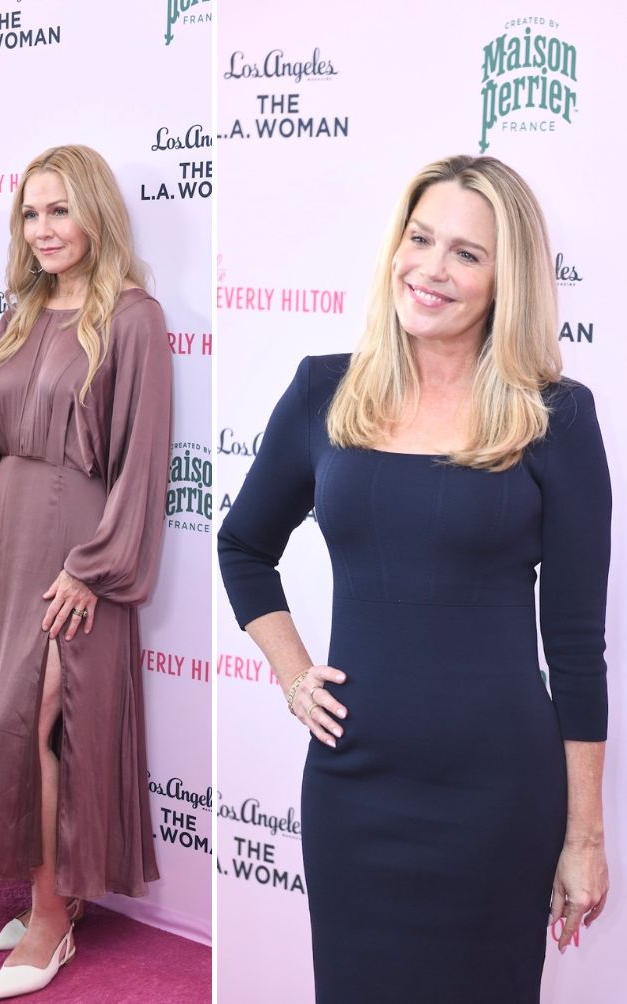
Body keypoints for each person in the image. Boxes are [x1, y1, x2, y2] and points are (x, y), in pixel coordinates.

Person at [217, 155, 608, 1002]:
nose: (430, 268)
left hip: (501, 796)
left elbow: (576, 648)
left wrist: (585, 835)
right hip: (355, 787)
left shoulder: (557, 417)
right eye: (420, 238)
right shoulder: (326, 390)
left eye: (467, 253)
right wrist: (292, 675)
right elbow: (244, 546)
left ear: (510, 280)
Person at [0, 144, 171, 999]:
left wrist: (97, 566)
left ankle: (50, 918)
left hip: (80, 548)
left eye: (60, 210)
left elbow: (143, 462)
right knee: (10, 722)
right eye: (31, 214)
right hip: (8, 538)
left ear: (96, 215)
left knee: (45, 719)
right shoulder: (17, 315)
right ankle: (56, 894)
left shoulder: (133, 317)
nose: (44, 229)